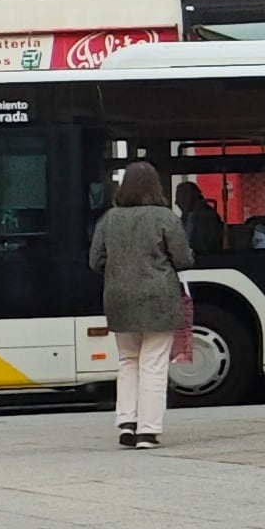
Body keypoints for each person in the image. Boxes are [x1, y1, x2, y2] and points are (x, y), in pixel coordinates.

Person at [88, 159, 193, 449]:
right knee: (154, 364)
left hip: (119, 299)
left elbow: (95, 261)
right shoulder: (165, 217)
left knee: (127, 361)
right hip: (159, 298)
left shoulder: (109, 219)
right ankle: (148, 430)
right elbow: (183, 259)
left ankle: (127, 423)